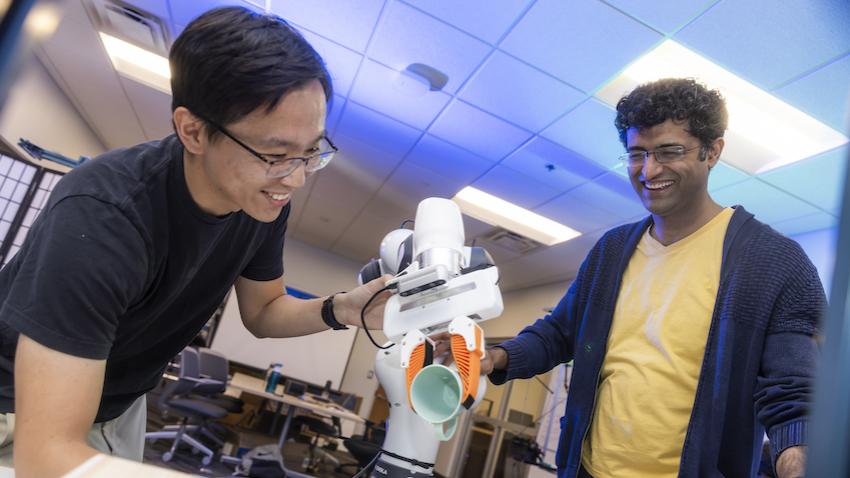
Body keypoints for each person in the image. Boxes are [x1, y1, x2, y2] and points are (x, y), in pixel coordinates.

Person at [0, 7, 390, 477]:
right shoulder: (104, 216)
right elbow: (46, 458)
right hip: (17, 409)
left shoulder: (262, 203)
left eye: (311, 152)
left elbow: (265, 311)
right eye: (276, 154)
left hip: (118, 403)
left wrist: (344, 309)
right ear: (193, 131)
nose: (298, 178)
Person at [444, 78, 823, 478]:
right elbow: (560, 333)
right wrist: (496, 357)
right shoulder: (612, 251)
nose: (649, 170)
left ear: (713, 151)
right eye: (637, 154)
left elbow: (795, 391)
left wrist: (797, 458)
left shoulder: (774, 261)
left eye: (669, 151)